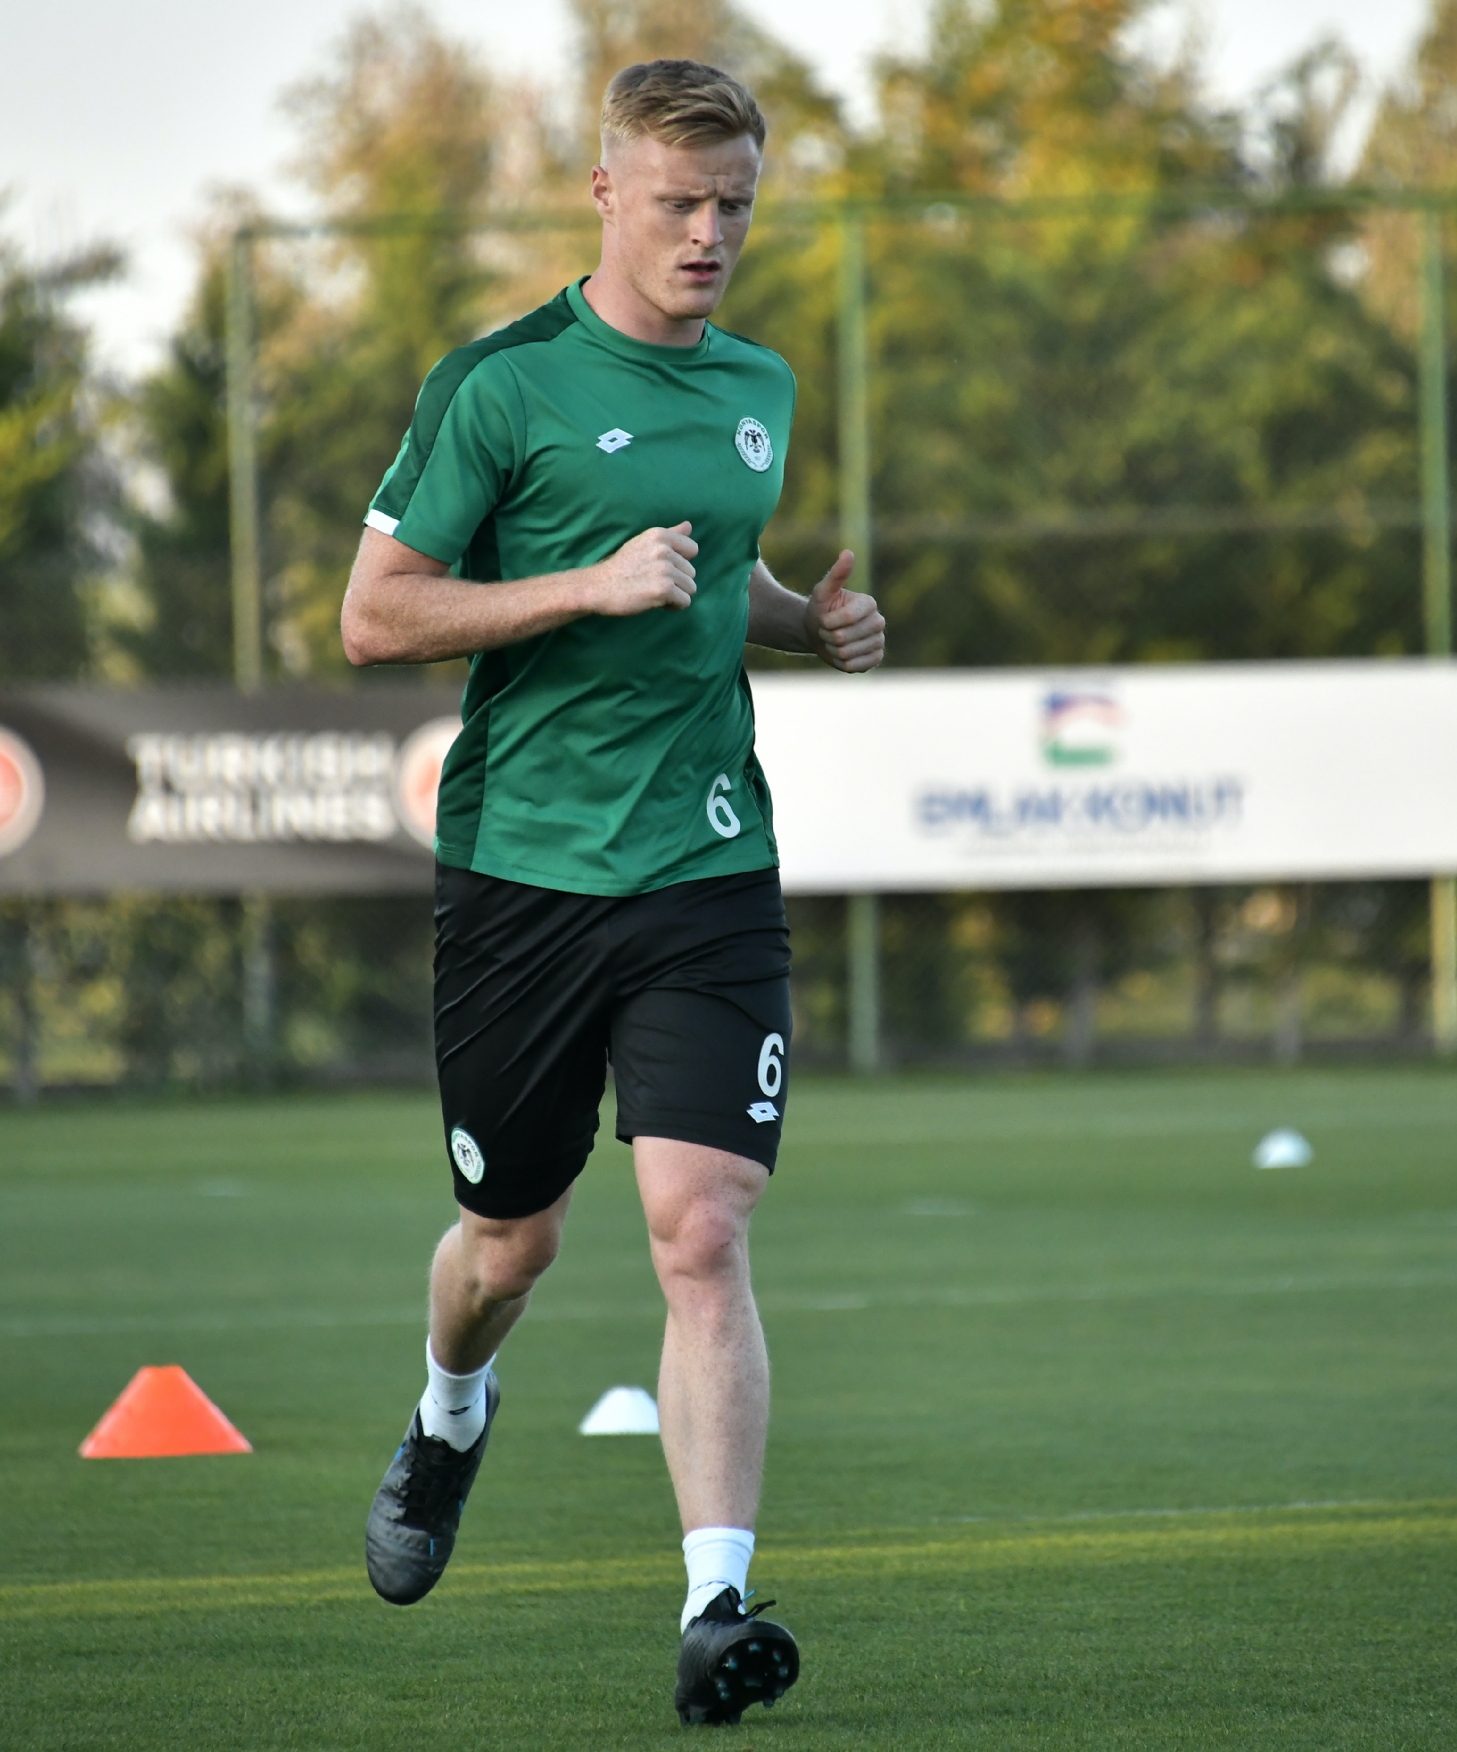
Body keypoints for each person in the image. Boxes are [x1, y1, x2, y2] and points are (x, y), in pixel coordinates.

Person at [337, 57, 885, 1728]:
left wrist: (802, 622)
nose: (710, 234)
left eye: (735, 205)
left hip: (707, 862)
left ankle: (717, 1608)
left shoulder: (761, 384)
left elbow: (712, 575)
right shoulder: (501, 385)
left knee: (702, 1228)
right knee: (510, 1245)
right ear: (604, 196)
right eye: (679, 203)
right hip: (523, 876)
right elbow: (376, 613)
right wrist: (581, 585)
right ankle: (450, 1413)